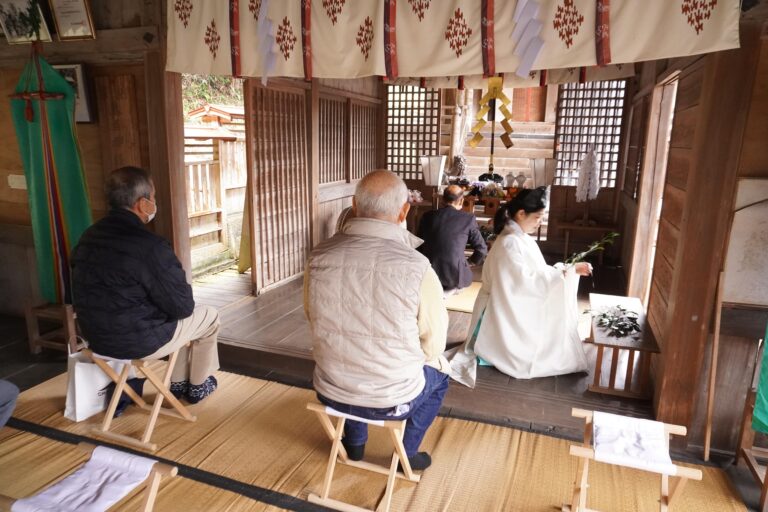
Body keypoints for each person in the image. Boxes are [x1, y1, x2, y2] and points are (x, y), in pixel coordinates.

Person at [305, 170, 450, 471]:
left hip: (330, 388)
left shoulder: (318, 257)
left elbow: (312, 317)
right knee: (441, 376)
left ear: (355, 207)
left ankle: (354, 444)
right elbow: (434, 343)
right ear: (404, 211)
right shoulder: (417, 267)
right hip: (392, 399)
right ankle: (406, 454)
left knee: (351, 351)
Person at [71, 167, 220, 404]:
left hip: (95, 339)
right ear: (143, 204)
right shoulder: (150, 246)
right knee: (209, 317)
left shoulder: (88, 237)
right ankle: (197, 386)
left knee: (175, 316)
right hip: (138, 341)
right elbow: (183, 307)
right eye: (154, 197)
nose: (154, 203)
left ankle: (179, 382)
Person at [447, 187, 590, 386]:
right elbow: (524, 281)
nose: (540, 222)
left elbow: (535, 272)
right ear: (521, 214)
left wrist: (566, 270)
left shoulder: (518, 237)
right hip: (494, 308)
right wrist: (564, 273)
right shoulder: (510, 242)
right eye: (538, 217)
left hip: (501, 299)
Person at [417, 185, 487, 294]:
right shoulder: (468, 219)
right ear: (461, 201)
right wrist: (469, 262)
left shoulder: (427, 216)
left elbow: (419, 245)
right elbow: (482, 249)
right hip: (455, 277)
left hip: (428, 273)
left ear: (442, 200)